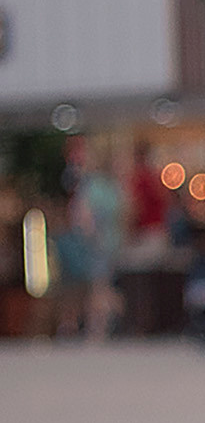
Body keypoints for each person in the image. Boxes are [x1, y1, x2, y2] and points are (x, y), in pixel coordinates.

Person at [53, 141, 124, 341]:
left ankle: (97, 327)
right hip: (109, 243)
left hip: (95, 244)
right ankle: (99, 326)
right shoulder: (111, 188)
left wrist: (84, 235)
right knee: (101, 286)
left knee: (98, 288)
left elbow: (84, 219)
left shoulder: (91, 187)